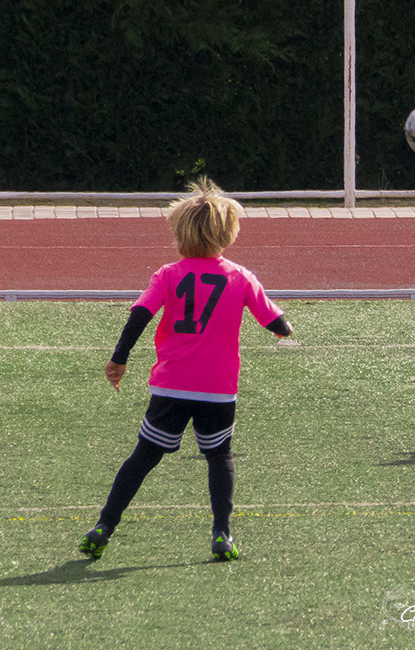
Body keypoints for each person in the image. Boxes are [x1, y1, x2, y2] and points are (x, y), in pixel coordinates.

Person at [79, 177, 293, 561]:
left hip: (172, 386)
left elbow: (139, 316)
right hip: (218, 389)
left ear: (180, 232)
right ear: (227, 233)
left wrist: (119, 359)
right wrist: (283, 329)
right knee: (219, 457)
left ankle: (104, 526)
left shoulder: (167, 275)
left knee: (143, 457)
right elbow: (277, 323)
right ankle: (222, 534)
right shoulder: (241, 277)